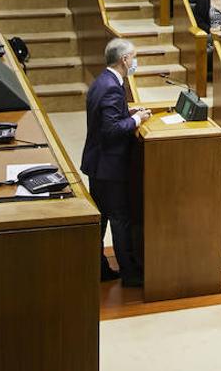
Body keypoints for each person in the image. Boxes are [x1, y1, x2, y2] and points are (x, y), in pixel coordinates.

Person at [81, 38, 151, 287]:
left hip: (98, 164)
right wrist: (136, 121)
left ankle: (97, 267)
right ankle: (130, 274)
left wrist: (128, 113)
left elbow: (106, 118)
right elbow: (110, 130)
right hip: (109, 166)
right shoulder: (112, 86)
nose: (135, 62)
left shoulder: (104, 81)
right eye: (134, 57)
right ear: (124, 59)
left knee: (101, 220)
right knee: (120, 219)